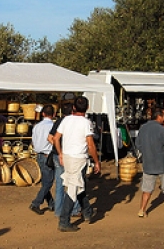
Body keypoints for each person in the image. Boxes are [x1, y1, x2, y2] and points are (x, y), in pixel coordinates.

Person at [52, 96, 101, 232]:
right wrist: (97, 161)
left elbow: (56, 138)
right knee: (74, 188)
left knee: (78, 185)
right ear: (87, 108)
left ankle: (87, 211)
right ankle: (64, 221)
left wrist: (60, 153)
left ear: (73, 107)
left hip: (68, 157)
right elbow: (90, 144)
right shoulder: (86, 123)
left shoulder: (66, 120)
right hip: (78, 158)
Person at [48, 103, 81, 218]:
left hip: (56, 155)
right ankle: (75, 209)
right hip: (68, 156)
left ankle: (58, 210)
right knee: (73, 183)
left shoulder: (58, 121)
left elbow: (50, 137)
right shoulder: (73, 122)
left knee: (59, 184)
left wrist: (58, 149)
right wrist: (63, 150)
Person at [29, 105, 55, 214]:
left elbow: (33, 141)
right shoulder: (53, 126)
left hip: (39, 154)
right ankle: (36, 203)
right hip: (48, 155)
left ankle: (51, 203)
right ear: (53, 114)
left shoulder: (36, 126)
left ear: (43, 114)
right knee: (48, 182)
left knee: (46, 181)